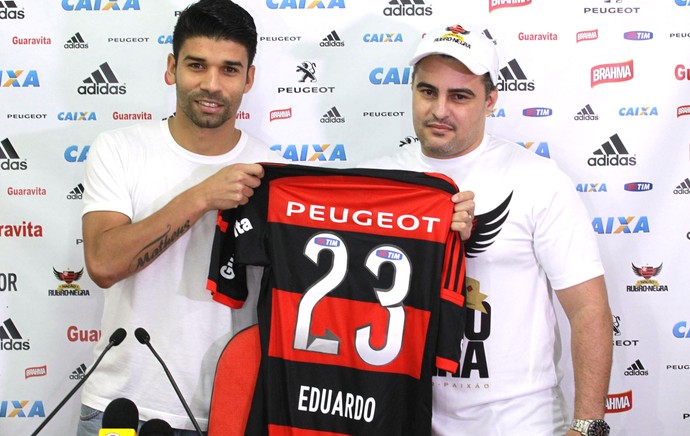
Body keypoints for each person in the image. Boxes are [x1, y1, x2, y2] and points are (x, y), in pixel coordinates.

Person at [361, 23, 613, 436]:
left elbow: (588, 309)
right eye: (428, 92)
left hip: (518, 422)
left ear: (490, 99)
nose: (440, 110)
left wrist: (587, 426)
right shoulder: (378, 181)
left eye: (459, 96)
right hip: (403, 413)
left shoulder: (539, 181)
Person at [77, 1, 274, 434]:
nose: (211, 84)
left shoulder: (271, 170)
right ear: (171, 68)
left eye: (229, 69)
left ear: (249, 79)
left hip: (227, 412)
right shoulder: (119, 148)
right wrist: (203, 195)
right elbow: (104, 264)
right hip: (119, 406)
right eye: (197, 65)